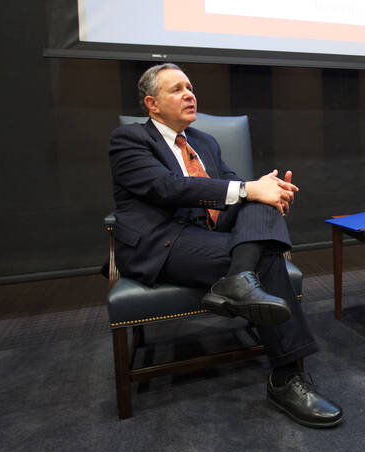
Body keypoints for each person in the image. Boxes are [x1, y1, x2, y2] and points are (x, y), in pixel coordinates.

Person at [109, 63, 342, 427]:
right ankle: (285, 376)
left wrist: (268, 190)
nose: (190, 94)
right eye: (177, 89)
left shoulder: (204, 142)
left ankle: (238, 279)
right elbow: (167, 188)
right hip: (165, 241)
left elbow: (235, 184)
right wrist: (251, 189)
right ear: (152, 104)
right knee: (266, 253)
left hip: (212, 234)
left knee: (261, 202)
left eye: (190, 86)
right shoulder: (130, 141)